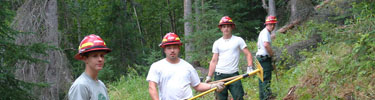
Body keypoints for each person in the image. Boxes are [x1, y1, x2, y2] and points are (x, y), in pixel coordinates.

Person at [146, 32, 225, 100]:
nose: (172, 50)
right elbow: (152, 87)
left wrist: (213, 86)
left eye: (175, 47)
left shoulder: (187, 66)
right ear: (164, 50)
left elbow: (197, 85)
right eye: (169, 48)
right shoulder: (157, 66)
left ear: (179, 48)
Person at [205, 16, 254, 100]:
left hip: (234, 74)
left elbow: (248, 54)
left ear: (232, 27)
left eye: (228, 26)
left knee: (239, 97)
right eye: (224, 26)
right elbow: (214, 60)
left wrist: (250, 67)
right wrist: (209, 76)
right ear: (221, 28)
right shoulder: (217, 43)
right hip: (219, 75)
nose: (226, 28)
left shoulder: (238, 40)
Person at [68, 34, 111, 100]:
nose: (100, 59)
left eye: (102, 55)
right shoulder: (80, 86)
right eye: (95, 56)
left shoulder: (101, 85)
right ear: (85, 59)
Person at [256, 15, 277, 100]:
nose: (272, 26)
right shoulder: (265, 33)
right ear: (267, 24)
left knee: (261, 79)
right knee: (266, 78)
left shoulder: (263, 32)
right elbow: (266, 45)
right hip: (264, 59)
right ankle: (266, 97)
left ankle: (263, 97)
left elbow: (258, 44)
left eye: (273, 24)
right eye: (270, 24)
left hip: (260, 58)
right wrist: (272, 55)